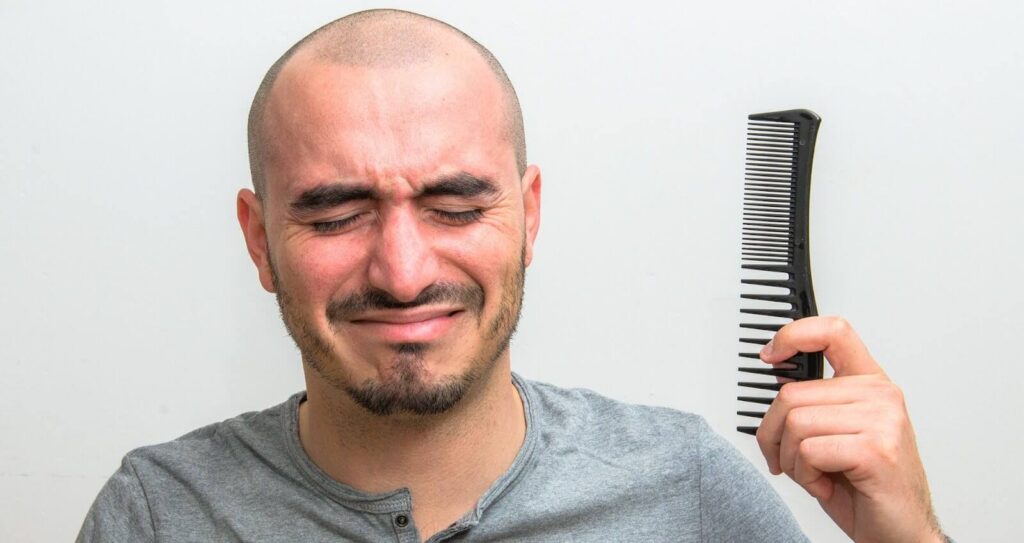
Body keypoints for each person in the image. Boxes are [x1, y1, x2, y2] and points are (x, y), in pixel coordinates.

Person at [77, 9, 948, 542]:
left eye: (454, 204)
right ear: (259, 240)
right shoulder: (156, 516)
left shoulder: (683, 489)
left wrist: (910, 541)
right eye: (337, 212)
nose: (405, 271)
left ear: (528, 217)